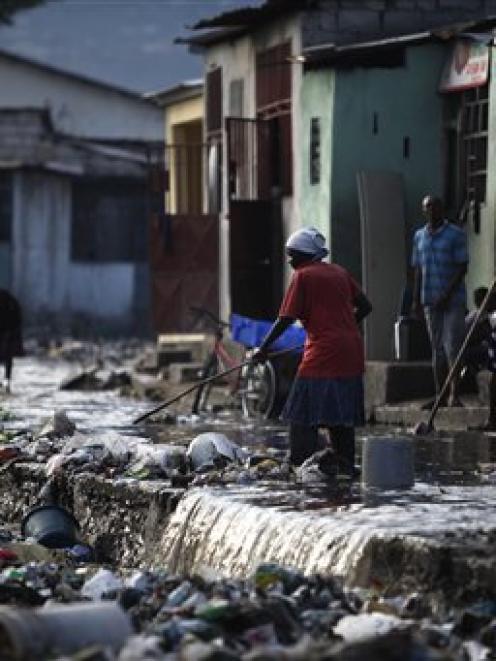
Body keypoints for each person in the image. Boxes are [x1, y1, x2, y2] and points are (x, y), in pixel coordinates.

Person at [253, 227, 372, 477]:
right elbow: (366, 306)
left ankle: (298, 466)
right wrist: (344, 325)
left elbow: (285, 319)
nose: (289, 261)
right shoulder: (339, 272)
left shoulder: (303, 276)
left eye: (291, 255)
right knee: (342, 416)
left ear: (304, 255)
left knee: (301, 414)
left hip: (323, 353)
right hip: (351, 350)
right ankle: (346, 467)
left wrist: (263, 349)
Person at [411, 195, 468, 408]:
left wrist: (447, 295)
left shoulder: (455, 234)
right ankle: (440, 394)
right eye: (428, 208)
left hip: (453, 301)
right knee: (437, 350)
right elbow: (417, 270)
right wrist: (416, 300)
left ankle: (454, 393)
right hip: (429, 301)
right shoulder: (419, 236)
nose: (432, 211)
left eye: (435, 207)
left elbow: (462, 267)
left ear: (442, 209)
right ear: (424, 211)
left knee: (453, 346)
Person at [0, 289, 23, 393]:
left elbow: (17, 317)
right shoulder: (8, 297)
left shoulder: (8, 299)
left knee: (7, 356)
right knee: (7, 356)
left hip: (8, 330)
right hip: (9, 331)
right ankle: (6, 380)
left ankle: (7, 380)